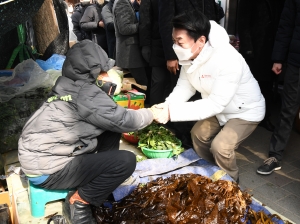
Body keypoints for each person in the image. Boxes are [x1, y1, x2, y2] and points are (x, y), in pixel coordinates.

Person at [18, 40, 160, 224]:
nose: (107, 74)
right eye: (103, 70)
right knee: (126, 161)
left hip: (38, 157)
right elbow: (126, 120)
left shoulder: (67, 84)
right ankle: (79, 201)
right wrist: (152, 113)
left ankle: (100, 182)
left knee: (111, 128)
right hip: (46, 170)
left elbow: (112, 119)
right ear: (92, 72)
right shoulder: (87, 94)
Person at [154, 10, 265, 182]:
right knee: (198, 134)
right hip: (218, 107)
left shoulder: (228, 59)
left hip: (244, 110)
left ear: (201, 40)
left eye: (180, 42)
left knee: (221, 147)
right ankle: (210, 174)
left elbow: (216, 103)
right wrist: (167, 105)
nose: (175, 47)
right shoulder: (189, 56)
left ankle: (230, 184)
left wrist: (171, 113)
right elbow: (185, 87)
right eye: (173, 41)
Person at [257, 0, 300, 175]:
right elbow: (286, 25)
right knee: (287, 110)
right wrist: (278, 58)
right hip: (296, 62)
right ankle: (275, 156)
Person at [238, 0, 285, 132]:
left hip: (272, 50)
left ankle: (264, 117)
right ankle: (245, 118)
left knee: (267, 86)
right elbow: (243, 22)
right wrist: (248, 49)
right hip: (254, 48)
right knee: (249, 85)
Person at [139, 0, 172, 106]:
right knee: (159, 82)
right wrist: (145, 45)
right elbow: (145, 21)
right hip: (158, 44)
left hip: (161, 43)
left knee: (161, 82)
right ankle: (155, 113)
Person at [112, 0, 148, 89]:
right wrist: (142, 25)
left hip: (129, 50)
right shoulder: (122, 2)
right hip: (130, 51)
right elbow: (125, 29)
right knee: (141, 85)